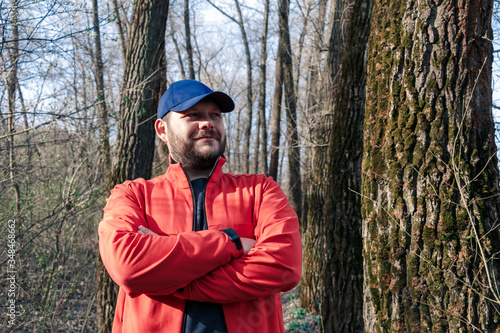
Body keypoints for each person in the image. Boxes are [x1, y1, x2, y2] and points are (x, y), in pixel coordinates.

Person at [98, 79, 302, 333]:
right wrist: (232, 242)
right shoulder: (133, 195)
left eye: (214, 115)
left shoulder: (260, 190)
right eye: (193, 115)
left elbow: (284, 268)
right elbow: (127, 265)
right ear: (162, 130)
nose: (208, 122)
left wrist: (172, 280)